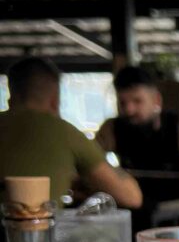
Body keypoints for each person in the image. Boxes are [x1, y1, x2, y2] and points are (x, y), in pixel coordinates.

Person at [0, 56, 142, 209]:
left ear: (10, 98)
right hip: (38, 231)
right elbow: (132, 197)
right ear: (55, 101)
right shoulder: (63, 132)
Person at [96, 67, 179, 203]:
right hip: (134, 209)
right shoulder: (111, 128)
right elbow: (87, 163)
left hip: (177, 212)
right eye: (123, 103)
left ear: (156, 100)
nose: (129, 110)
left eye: (137, 101)